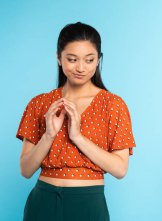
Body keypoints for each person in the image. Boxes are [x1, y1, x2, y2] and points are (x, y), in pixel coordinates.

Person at [16, 22, 136, 221]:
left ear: (98, 60)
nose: (81, 68)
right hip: (43, 201)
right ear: (58, 58)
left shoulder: (113, 104)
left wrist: (78, 138)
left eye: (89, 60)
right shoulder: (40, 103)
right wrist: (48, 135)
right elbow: (26, 170)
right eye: (72, 59)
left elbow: (120, 169)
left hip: (88, 204)